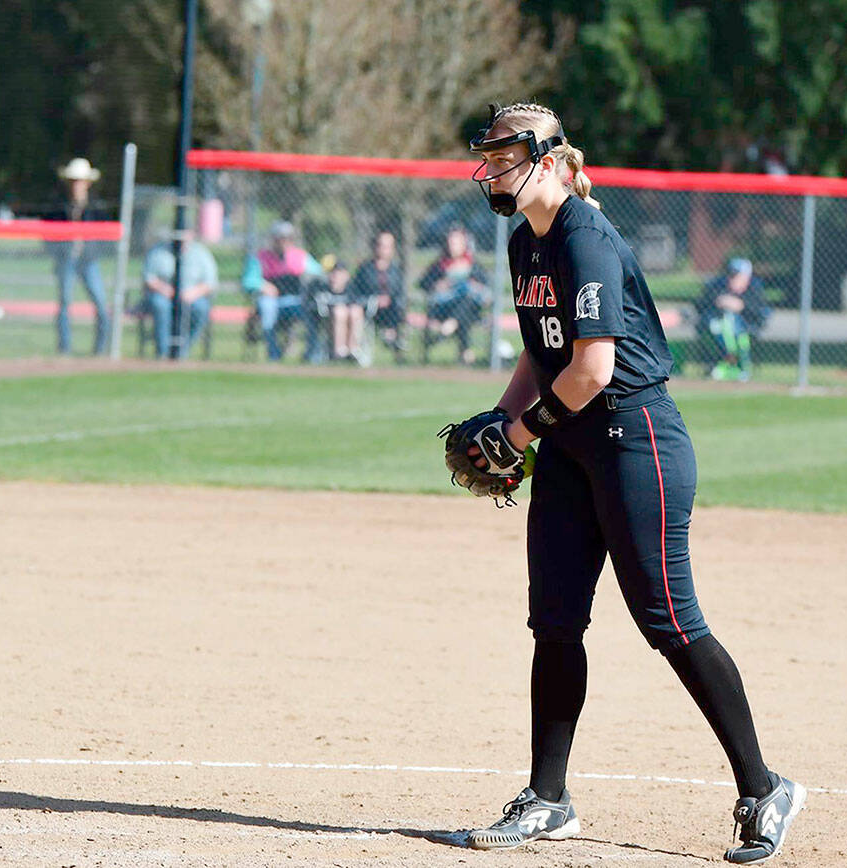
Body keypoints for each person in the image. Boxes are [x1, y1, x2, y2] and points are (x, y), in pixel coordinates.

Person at [459, 102, 805, 863]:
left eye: (505, 156)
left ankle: (763, 787)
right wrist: (500, 416)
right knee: (554, 621)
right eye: (488, 155)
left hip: (634, 438)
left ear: (547, 162)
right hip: (569, 439)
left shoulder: (584, 237)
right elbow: (543, 358)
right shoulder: (528, 242)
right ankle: (547, 800)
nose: (491, 169)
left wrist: (515, 435)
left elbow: (595, 368)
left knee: (668, 620)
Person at [46, 157, 111, 355]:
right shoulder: (59, 206)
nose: (77, 185)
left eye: (80, 181)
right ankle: (64, 348)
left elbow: (106, 236)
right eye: (73, 181)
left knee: (100, 303)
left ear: (88, 183)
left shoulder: (96, 208)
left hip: (89, 261)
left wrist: (90, 249)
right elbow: (48, 233)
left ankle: (100, 349)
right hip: (67, 261)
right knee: (65, 302)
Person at [241, 220, 326, 362]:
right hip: (272, 301)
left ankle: (312, 354)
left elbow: (319, 274)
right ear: (273, 239)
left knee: (312, 309)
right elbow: (248, 281)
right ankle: (273, 353)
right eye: (280, 238)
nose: (283, 242)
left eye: (287, 238)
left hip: (296, 301)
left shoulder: (300, 257)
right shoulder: (260, 257)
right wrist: (263, 286)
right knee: (267, 306)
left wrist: (309, 281)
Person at [418, 225, 490, 364]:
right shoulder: (440, 264)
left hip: (472, 308)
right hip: (446, 309)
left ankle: (449, 327)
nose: (452, 246)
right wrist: (438, 285)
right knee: (463, 315)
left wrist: (475, 286)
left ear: (464, 244)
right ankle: (465, 353)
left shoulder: (472, 264)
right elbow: (423, 283)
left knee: (466, 300)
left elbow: (486, 285)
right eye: (450, 242)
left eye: (456, 243)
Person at [141, 231, 219, 359]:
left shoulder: (201, 253)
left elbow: (210, 282)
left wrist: (192, 293)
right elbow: (148, 278)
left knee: (201, 308)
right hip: (163, 295)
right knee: (160, 305)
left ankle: (181, 351)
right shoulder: (158, 252)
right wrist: (166, 290)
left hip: (192, 296)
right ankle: (163, 352)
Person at [695, 257, 771, 381]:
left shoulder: (754, 289)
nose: (732, 279)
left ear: (746, 277)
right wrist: (718, 301)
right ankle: (727, 363)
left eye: (737, 275)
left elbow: (760, 312)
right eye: (731, 275)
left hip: (745, 326)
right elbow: (700, 304)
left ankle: (738, 365)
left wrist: (741, 306)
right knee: (719, 323)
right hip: (719, 327)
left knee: (732, 326)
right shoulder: (718, 286)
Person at [338, 230, 406, 362]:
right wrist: (373, 300)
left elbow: (400, 294)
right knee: (354, 311)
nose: (383, 249)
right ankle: (351, 353)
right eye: (380, 245)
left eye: (387, 246)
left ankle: (393, 340)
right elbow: (354, 294)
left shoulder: (396, 270)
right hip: (367, 309)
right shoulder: (365, 269)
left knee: (398, 309)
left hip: (392, 311)